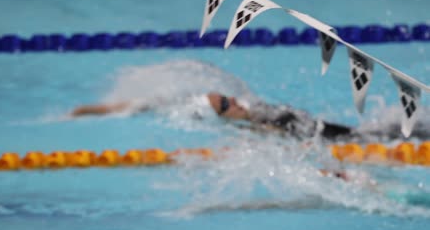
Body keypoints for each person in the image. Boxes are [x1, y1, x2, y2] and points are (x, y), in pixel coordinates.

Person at [71, 92, 357, 141]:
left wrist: (91, 110)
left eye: (225, 96)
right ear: (220, 117)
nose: (233, 100)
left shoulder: (249, 112)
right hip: (330, 137)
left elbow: (146, 103)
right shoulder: (253, 128)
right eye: (225, 104)